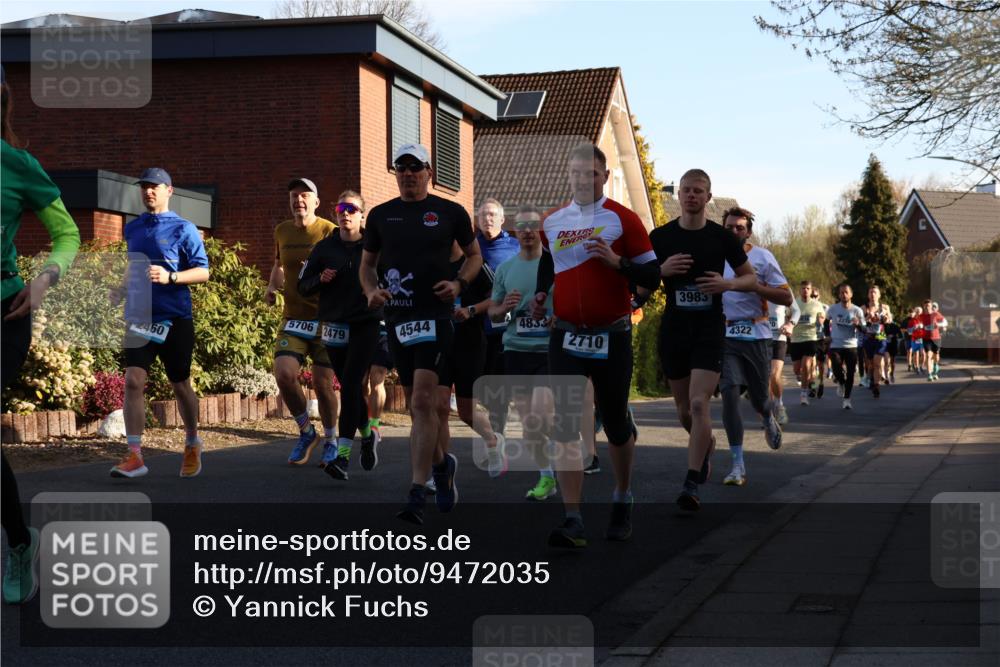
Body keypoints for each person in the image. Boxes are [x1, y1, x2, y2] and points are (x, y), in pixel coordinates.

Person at [531, 143, 661, 547]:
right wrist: (540, 295)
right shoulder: (552, 221)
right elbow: (549, 263)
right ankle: (573, 518)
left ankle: (622, 496)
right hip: (566, 333)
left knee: (616, 422)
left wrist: (618, 264)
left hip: (612, 333)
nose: (583, 180)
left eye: (591, 174)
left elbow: (653, 275)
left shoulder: (624, 219)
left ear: (604, 177)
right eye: (576, 174)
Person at [361, 143, 482, 525]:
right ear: (395, 172)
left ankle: (417, 490)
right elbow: (367, 265)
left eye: (416, 167)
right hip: (399, 319)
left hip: (436, 316)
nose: (409, 173)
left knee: (423, 403)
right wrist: (370, 291)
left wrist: (459, 283)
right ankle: (443, 466)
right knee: (419, 408)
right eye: (402, 167)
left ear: (429, 171)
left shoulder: (450, 212)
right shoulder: (381, 216)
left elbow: (475, 256)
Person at [2, 68, 81, 604]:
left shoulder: (17, 164)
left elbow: (67, 232)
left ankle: (18, 546)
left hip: (5, 309)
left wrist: (46, 276)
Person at [647, 168, 755, 512]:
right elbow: (642, 282)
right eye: (686, 190)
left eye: (698, 191)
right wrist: (660, 271)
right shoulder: (659, 237)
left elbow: (749, 278)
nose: (692, 196)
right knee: (683, 410)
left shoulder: (722, 238)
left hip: (708, 330)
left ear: (708, 197)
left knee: (699, 404)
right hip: (675, 330)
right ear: (678, 194)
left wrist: (727, 285)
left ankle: (691, 482)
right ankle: (705, 442)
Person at [109, 168, 210, 478]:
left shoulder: (184, 229)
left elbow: (203, 272)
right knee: (133, 381)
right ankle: (135, 455)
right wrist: (121, 289)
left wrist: (172, 277)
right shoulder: (134, 228)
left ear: (169, 190)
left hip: (174, 318)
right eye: (144, 187)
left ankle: (192, 442)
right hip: (139, 317)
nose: (148, 192)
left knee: (180, 384)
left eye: (154, 187)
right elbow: (133, 265)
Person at [298, 191, 382, 480]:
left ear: (362, 214)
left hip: (366, 323)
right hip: (334, 323)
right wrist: (319, 279)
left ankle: (342, 458)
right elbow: (302, 285)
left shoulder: (375, 245)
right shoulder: (324, 248)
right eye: (340, 208)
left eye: (351, 209)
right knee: (351, 388)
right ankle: (368, 434)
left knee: (350, 385)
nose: (345, 213)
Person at [265, 178, 340, 466]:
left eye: (305, 195)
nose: (299, 200)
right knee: (283, 373)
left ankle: (331, 438)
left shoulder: (328, 231)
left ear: (316, 202)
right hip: (294, 318)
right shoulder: (281, 231)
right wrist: (272, 287)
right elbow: (279, 264)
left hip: (325, 319)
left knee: (323, 384)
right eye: (295, 195)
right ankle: (307, 432)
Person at [717, 207, 791, 487]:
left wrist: (757, 288)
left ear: (748, 232)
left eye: (739, 228)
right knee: (730, 394)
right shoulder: (713, 256)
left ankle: (767, 414)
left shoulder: (762, 257)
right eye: (729, 227)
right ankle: (737, 464)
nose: (734, 231)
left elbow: (786, 296)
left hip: (757, 334)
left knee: (760, 398)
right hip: (725, 335)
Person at [488, 204, 556, 500]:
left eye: (533, 225)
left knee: (541, 413)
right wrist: (504, 308)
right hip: (516, 349)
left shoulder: (555, 265)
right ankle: (547, 477)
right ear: (515, 231)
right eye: (522, 226)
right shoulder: (505, 269)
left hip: (548, 350)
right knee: (530, 424)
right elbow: (493, 314)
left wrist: (557, 318)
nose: (527, 231)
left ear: (540, 230)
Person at [475, 198, 519, 433]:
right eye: (483, 215)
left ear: (502, 219)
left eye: (492, 215)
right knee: (482, 380)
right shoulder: (471, 247)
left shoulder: (515, 245)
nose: (487, 219)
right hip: (477, 322)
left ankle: (498, 429)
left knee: (499, 379)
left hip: (506, 324)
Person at [826, 284, 865, 410]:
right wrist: (827, 335)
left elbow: (863, 329)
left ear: (851, 294)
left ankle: (847, 399)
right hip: (836, 344)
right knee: (836, 365)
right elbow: (826, 322)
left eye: (846, 292)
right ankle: (840, 382)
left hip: (851, 345)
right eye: (841, 293)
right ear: (839, 295)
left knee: (851, 373)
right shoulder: (833, 309)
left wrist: (858, 324)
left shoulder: (857, 310)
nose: (844, 295)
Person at [788, 281, 825, 406]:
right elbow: (788, 317)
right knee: (797, 369)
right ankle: (801, 376)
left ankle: (803, 394)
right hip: (795, 340)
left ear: (811, 290)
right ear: (800, 290)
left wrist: (820, 321)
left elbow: (822, 317)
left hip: (811, 338)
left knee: (807, 365)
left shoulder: (817, 304)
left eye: (808, 288)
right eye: (803, 288)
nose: (805, 291)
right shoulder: (794, 303)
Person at [768, 288, 799, 425]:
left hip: (778, 337)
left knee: (774, 375)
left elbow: (796, 310)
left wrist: (790, 324)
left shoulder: (781, 286)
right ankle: (768, 412)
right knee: (764, 377)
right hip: (758, 337)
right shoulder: (751, 283)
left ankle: (779, 405)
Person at [920, 298, 945, 380]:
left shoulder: (935, 314)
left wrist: (937, 324)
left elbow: (945, 322)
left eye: (929, 306)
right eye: (926, 306)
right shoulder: (921, 316)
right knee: (928, 355)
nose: (927, 307)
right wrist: (919, 327)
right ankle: (930, 374)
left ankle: (935, 365)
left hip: (936, 338)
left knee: (936, 357)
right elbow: (917, 325)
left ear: (931, 306)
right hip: (926, 338)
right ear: (924, 306)